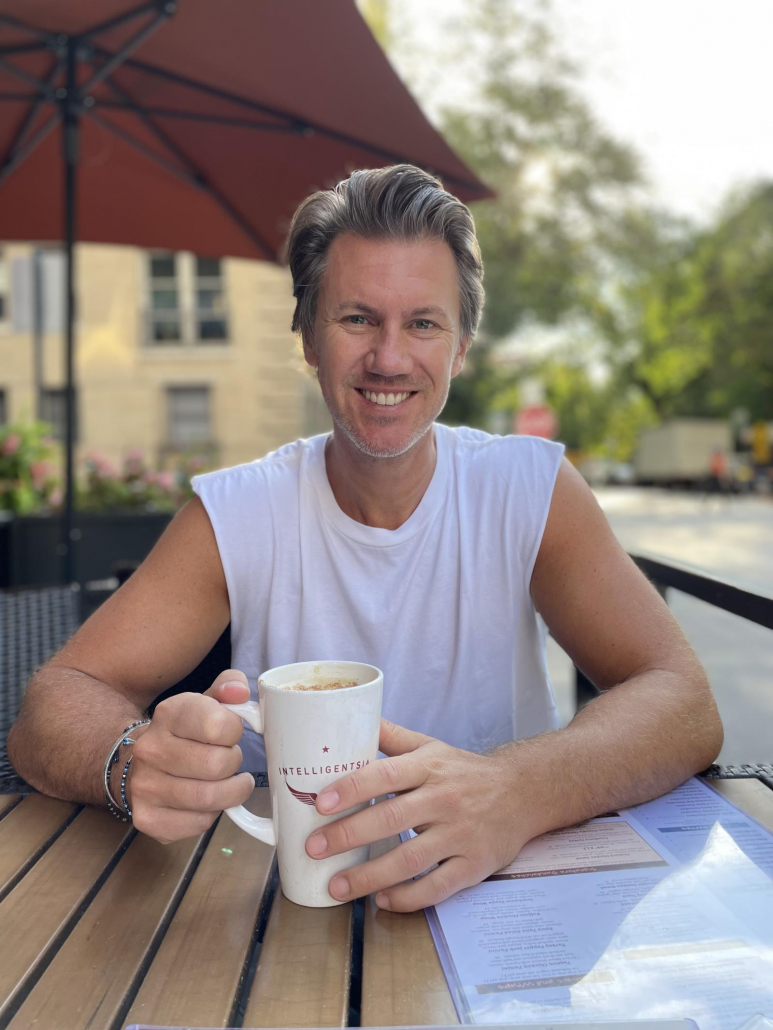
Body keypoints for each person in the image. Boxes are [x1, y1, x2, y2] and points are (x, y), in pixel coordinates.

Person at [8, 165, 723, 913]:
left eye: (423, 324)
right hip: (283, 908)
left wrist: (518, 789)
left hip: (495, 902)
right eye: (356, 319)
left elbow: (683, 701)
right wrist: (130, 761)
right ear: (308, 340)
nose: (389, 357)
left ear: (461, 347)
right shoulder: (235, 513)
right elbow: (53, 704)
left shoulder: (530, 490)